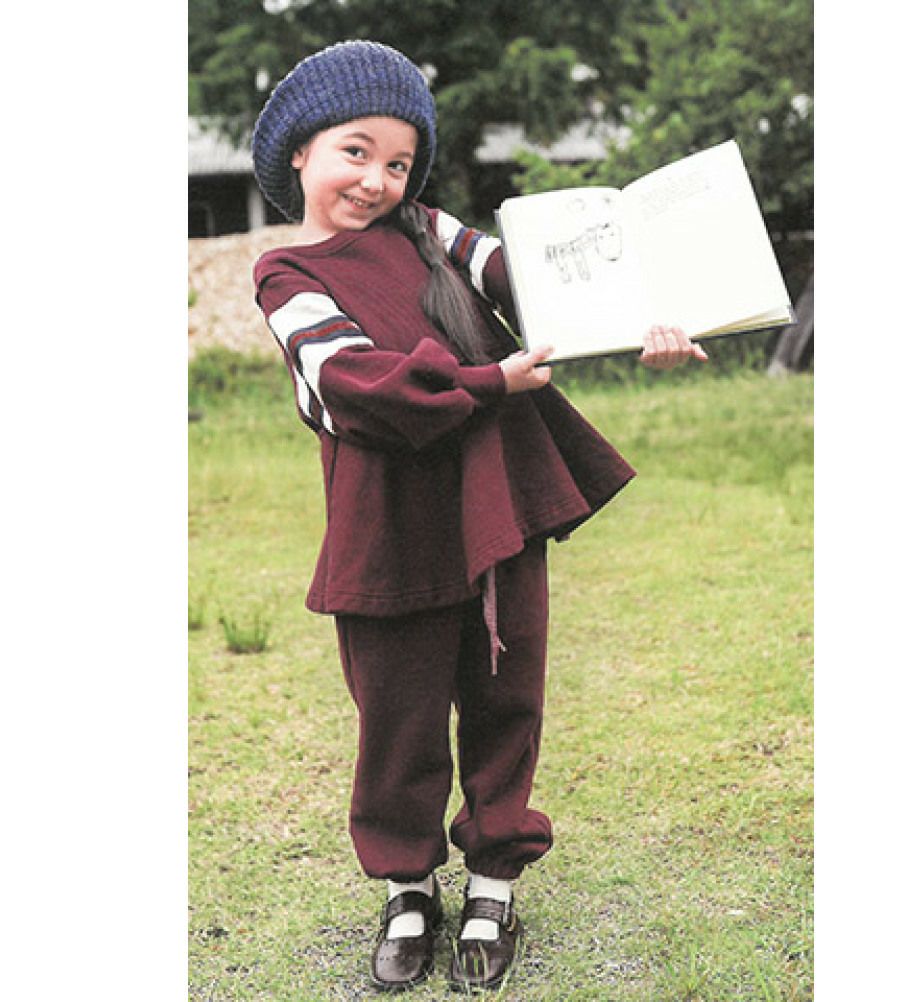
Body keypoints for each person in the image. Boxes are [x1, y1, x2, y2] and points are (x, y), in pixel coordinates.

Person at [251, 39, 707, 994]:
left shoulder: (432, 231)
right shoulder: (285, 272)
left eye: (399, 162)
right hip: (387, 527)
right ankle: (408, 889)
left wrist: (652, 321)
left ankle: (495, 884)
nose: (377, 180)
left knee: (506, 700)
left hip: (499, 498)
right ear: (299, 151)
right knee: (398, 719)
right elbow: (352, 383)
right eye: (355, 151)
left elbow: (546, 285)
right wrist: (489, 380)